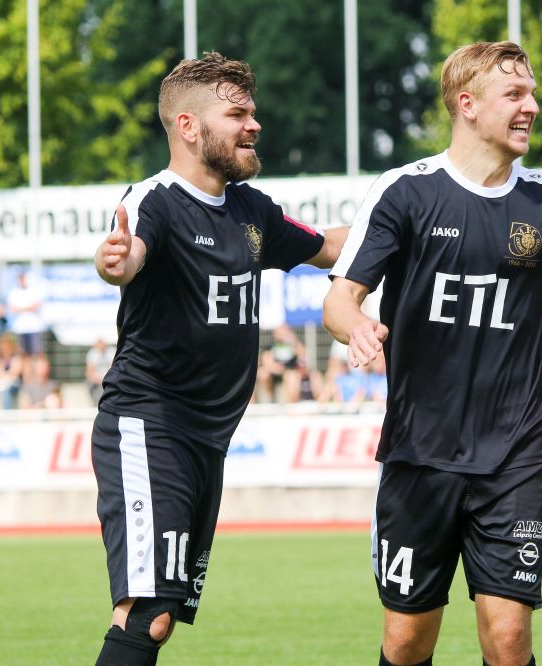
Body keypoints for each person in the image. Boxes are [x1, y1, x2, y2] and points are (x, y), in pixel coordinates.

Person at [323, 41, 542, 666]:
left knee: (507, 638)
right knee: (407, 640)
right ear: (467, 105)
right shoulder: (404, 192)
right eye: (516, 94)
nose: (533, 106)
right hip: (419, 454)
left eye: (533, 93)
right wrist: (355, 326)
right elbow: (341, 298)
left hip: (514, 455)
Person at [89, 51, 346, 666]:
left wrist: (405, 226)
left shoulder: (250, 209)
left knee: (162, 617)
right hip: (150, 425)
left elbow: (329, 248)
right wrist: (114, 263)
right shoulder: (156, 199)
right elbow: (126, 255)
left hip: (208, 440)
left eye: (252, 111)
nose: (253, 124)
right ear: (188, 126)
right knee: (146, 615)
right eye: (237, 114)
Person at [6, 268, 47, 379]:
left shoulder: (34, 290)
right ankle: (27, 380)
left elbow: (36, 305)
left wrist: (21, 308)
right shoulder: (13, 292)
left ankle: (40, 379)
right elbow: (12, 308)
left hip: (34, 328)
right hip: (21, 328)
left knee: (38, 354)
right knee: (24, 356)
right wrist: (27, 308)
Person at [85, 337, 116, 404]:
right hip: (97, 379)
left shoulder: (111, 352)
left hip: (110, 377)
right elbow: (89, 371)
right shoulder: (92, 354)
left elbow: (115, 367)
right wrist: (95, 379)